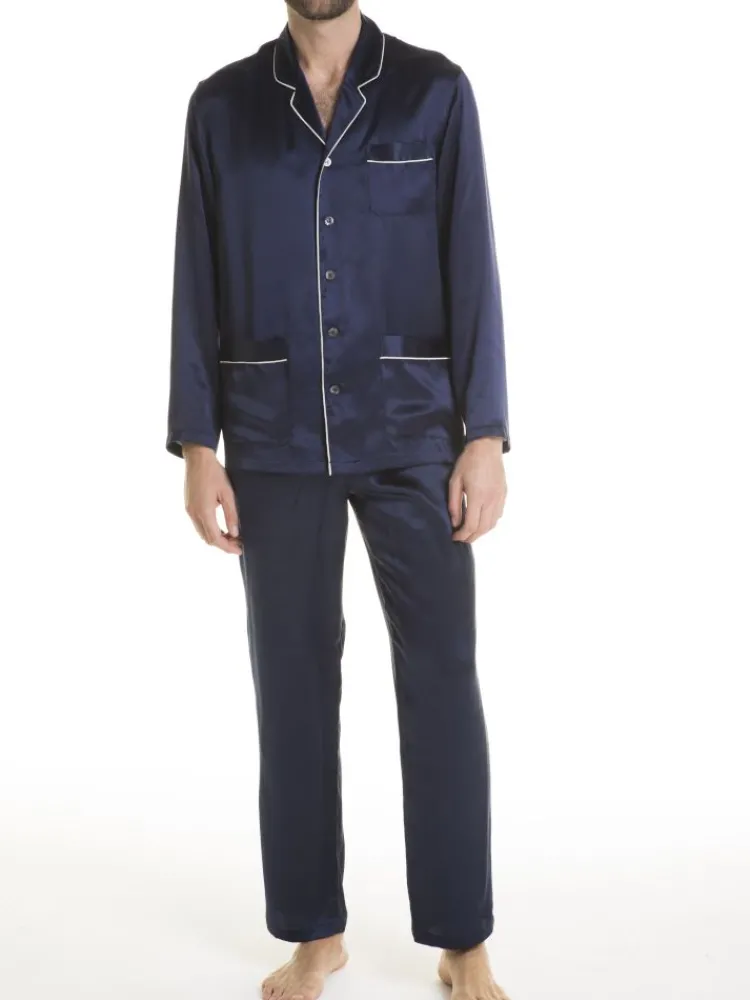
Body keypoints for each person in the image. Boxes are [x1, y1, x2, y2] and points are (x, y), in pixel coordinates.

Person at [167, 2, 511, 998]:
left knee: (442, 677)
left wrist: (485, 433)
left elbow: (472, 263)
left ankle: (461, 937)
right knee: (292, 684)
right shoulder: (222, 108)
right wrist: (197, 442)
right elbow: (196, 277)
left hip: (414, 430)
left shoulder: (436, 93)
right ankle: (316, 932)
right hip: (272, 435)